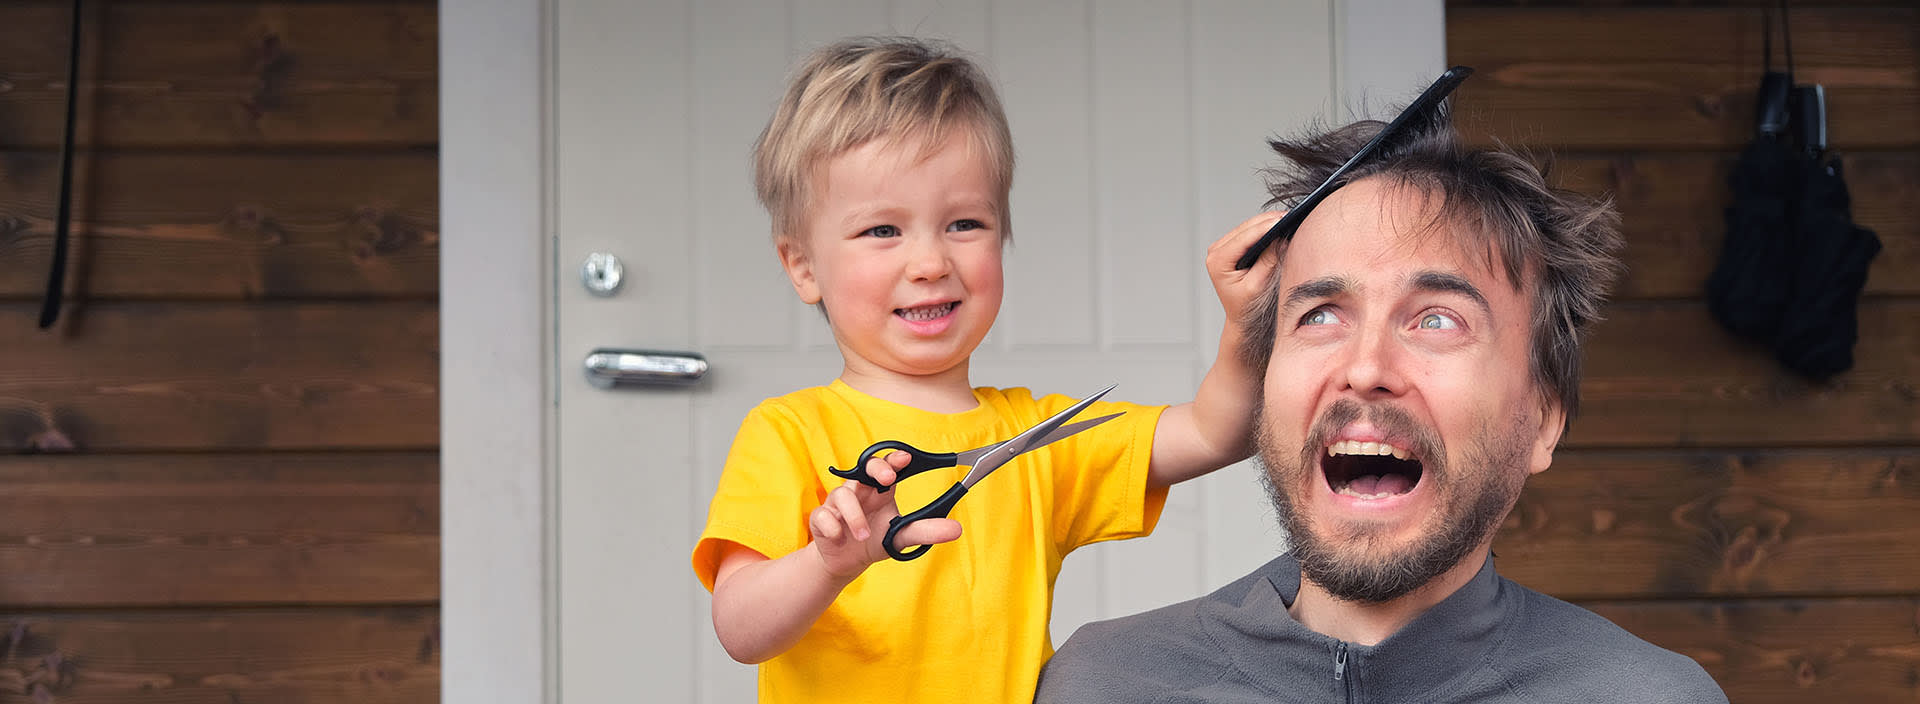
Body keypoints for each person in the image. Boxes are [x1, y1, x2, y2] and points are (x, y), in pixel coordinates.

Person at [1035, 111, 1729, 703]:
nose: (1365, 368)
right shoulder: (1103, 684)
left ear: (1543, 420)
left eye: (1436, 320)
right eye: (1321, 315)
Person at [688, 36, 1281, 703]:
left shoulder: (1035, 435)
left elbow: (1213, 433)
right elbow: (739, 628)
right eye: (883, 230)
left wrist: (1244, 322)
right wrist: (828, 564)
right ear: (802, 266)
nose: (930, 262)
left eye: (964, 223)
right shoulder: (788, 432)